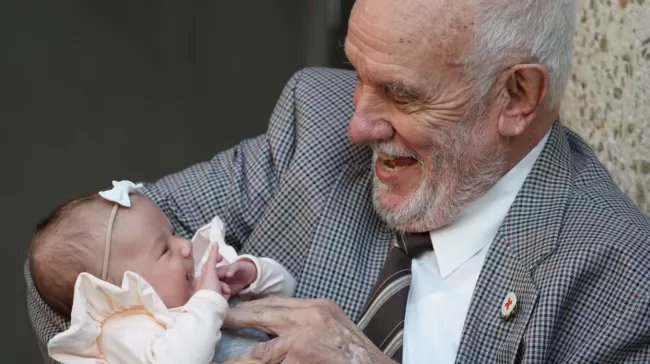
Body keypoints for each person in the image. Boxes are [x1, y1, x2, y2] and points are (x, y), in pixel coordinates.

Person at [26, 0, 650, 362]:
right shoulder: (314, 122)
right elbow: (65, 273)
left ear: (517, 96)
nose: (355, 124)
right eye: (357, 72)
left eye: (399, 93)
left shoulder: (620, 283)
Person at [29, 181, 295, 363]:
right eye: (164, 250)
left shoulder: (202, 277)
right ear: (118, 291)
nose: (185, 246)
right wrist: (208, 302)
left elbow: (288, 292)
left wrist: (251, 274)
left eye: (174, 233)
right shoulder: (124, 329)